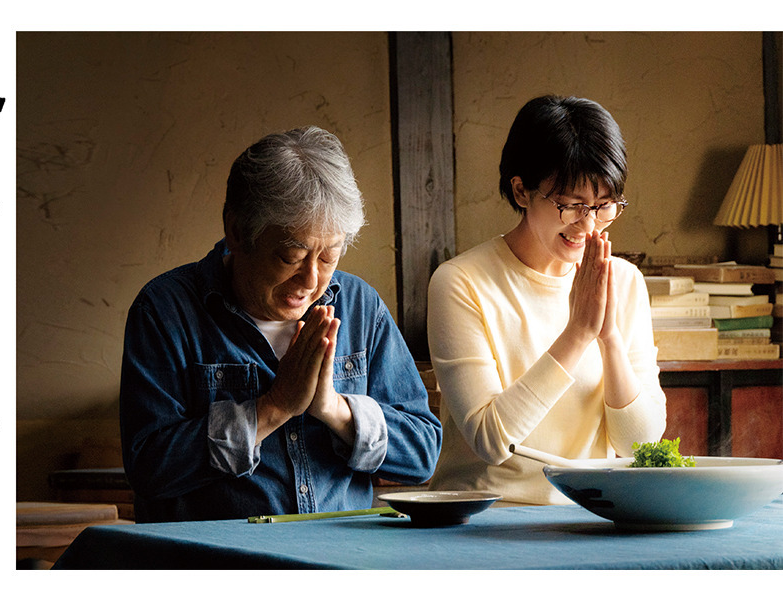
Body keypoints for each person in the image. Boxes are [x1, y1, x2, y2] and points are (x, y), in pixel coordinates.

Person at [120, 125, 442, 522]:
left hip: (342, 561)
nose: (310, 281)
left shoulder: (359, 306)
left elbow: (422, 454)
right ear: (237, 232)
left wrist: (334, 409)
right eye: (291, 257)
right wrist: (272, 407)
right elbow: (149, 468)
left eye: (329, 258)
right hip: (219, 567)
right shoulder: (167, 309)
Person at [426, 95, 666, 505]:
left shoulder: (623, 282)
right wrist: (578, 332)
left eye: (604, 206)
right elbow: (491, 440)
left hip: (589, 517)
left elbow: (639, 447)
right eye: (571, 205)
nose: (588, 226)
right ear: (522, 191)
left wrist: (608, 338)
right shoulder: (460, 282)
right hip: (482, 522)